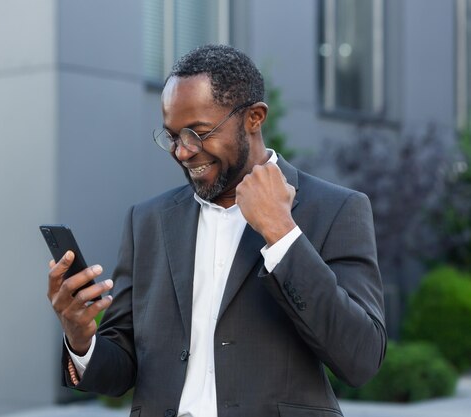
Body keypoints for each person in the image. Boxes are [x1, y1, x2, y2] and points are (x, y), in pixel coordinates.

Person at [47, 44, 386, 417]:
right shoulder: (148, 221)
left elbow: (361, 360)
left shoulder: (335, 210)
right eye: (173, 136)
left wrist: (283, 235)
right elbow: (120, 370)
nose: (182, 151)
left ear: (254, 118)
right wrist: (81, 338)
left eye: (198, 133)